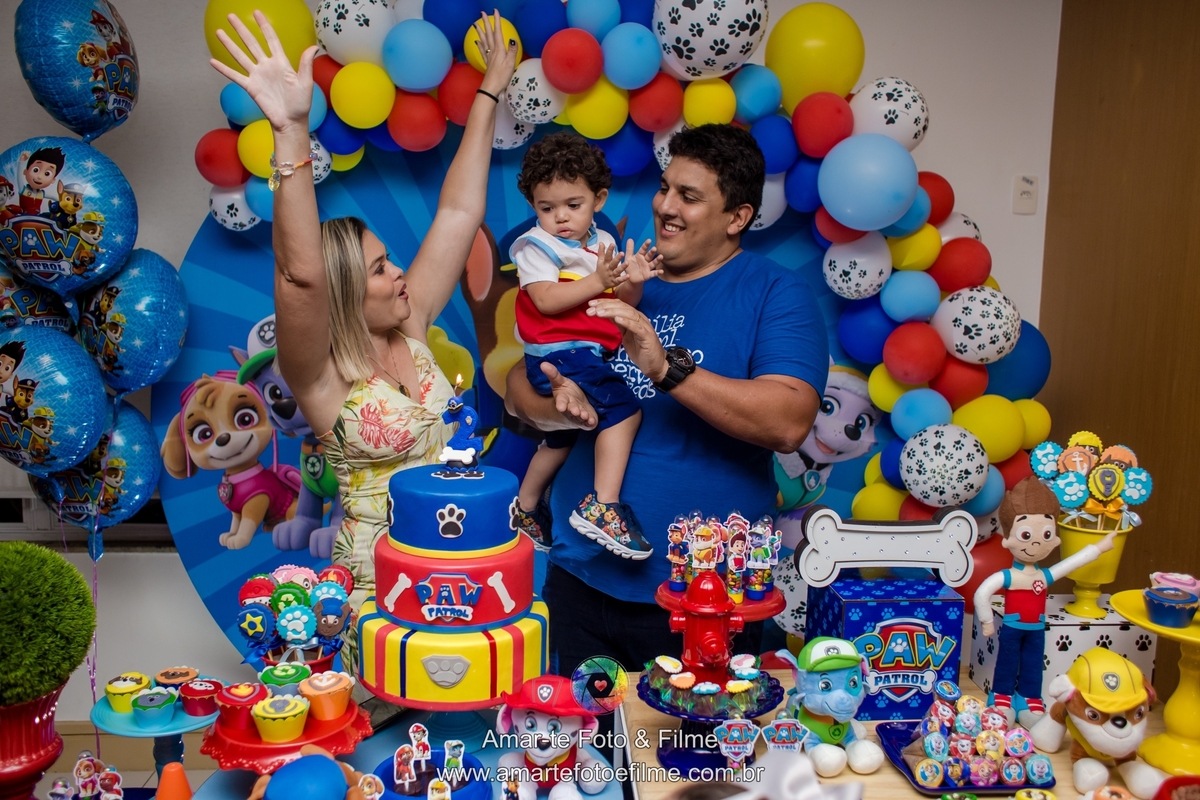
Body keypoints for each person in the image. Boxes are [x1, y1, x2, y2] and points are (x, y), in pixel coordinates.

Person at [209, 10, 518, 662]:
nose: (399, 272)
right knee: (372, 722)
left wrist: (491, 88)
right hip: (375, 597)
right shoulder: (320, 376)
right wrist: (290, 131)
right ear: (347, 292)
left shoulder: (413, 321)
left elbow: (459, 211)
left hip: (458, 576)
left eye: (390, 260)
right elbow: (299, 277)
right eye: (379, 268)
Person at [506, 124, 829, 675]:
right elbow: (520, 381)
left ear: (737, 217)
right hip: (579, 580)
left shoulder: (776, 292)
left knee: (692, 733)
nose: (665, 206)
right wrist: (556, 405)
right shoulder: (615, 274)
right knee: (580, 733)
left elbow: (789, 421)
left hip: (703, 598)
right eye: (664, 188)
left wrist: (664, 368)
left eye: (689, 196)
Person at [510, 132, 662, 560]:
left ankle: (525, 508)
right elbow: (544, 299)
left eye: (573, 205)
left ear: (599, 199)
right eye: (546, 208)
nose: (560, 217)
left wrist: (632, 282)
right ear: (533, 205)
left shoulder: (604, 244)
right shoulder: (536, 246)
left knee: (562, 439)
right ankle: (603, 505)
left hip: (584, 352)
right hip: (559, 352)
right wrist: (597, 279)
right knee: (625, 411)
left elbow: (616, 303)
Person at [974, 476, 1117, 726]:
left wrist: (1099, 548)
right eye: (1026, 534)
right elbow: (982, 593)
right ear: (1008, 538)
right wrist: (987, 621)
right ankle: (1001, 697)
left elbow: (1071, 563)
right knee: (1006, 662)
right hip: (1012, 627)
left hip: (1036, 629)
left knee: (1032, 664)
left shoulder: (1044, 575)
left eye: (1046, 533)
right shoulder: (1009, 576)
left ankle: (1029, 697)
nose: (1036, 542)